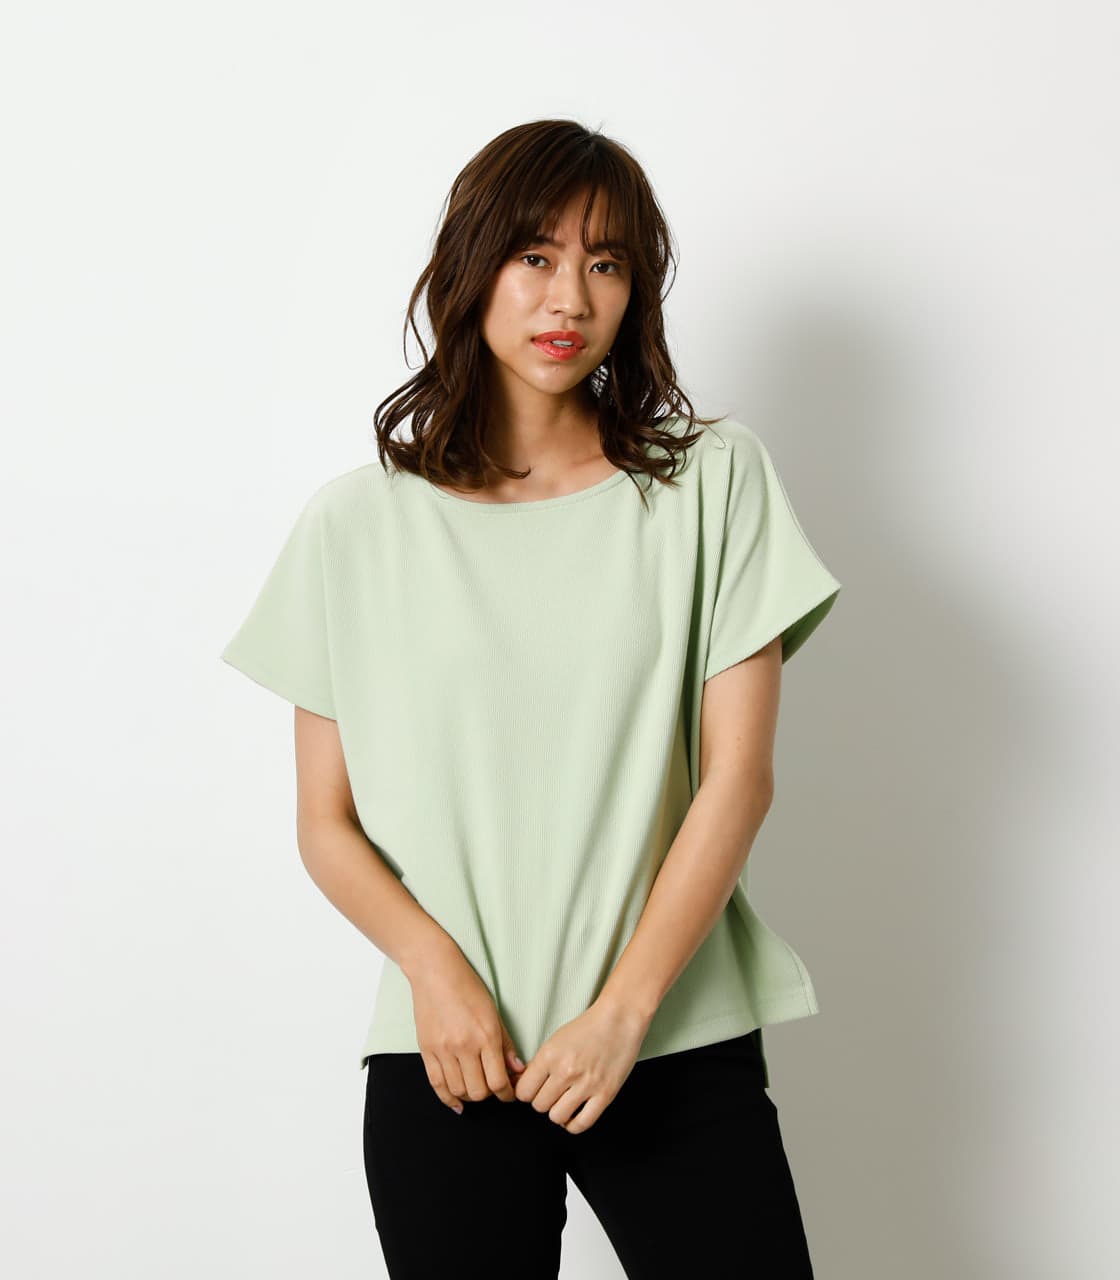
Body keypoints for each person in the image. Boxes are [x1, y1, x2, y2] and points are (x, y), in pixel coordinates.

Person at [220, 118, 842, 1278]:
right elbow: (325, 822)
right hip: (453, 1051)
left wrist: (624, 1013)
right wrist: (435, 974)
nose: (570, 296)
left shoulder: (711, 483)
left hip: (670, 1031)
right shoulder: (357, 525)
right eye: (535, 255)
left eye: (606, 262)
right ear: (473, 267)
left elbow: (737, 778)